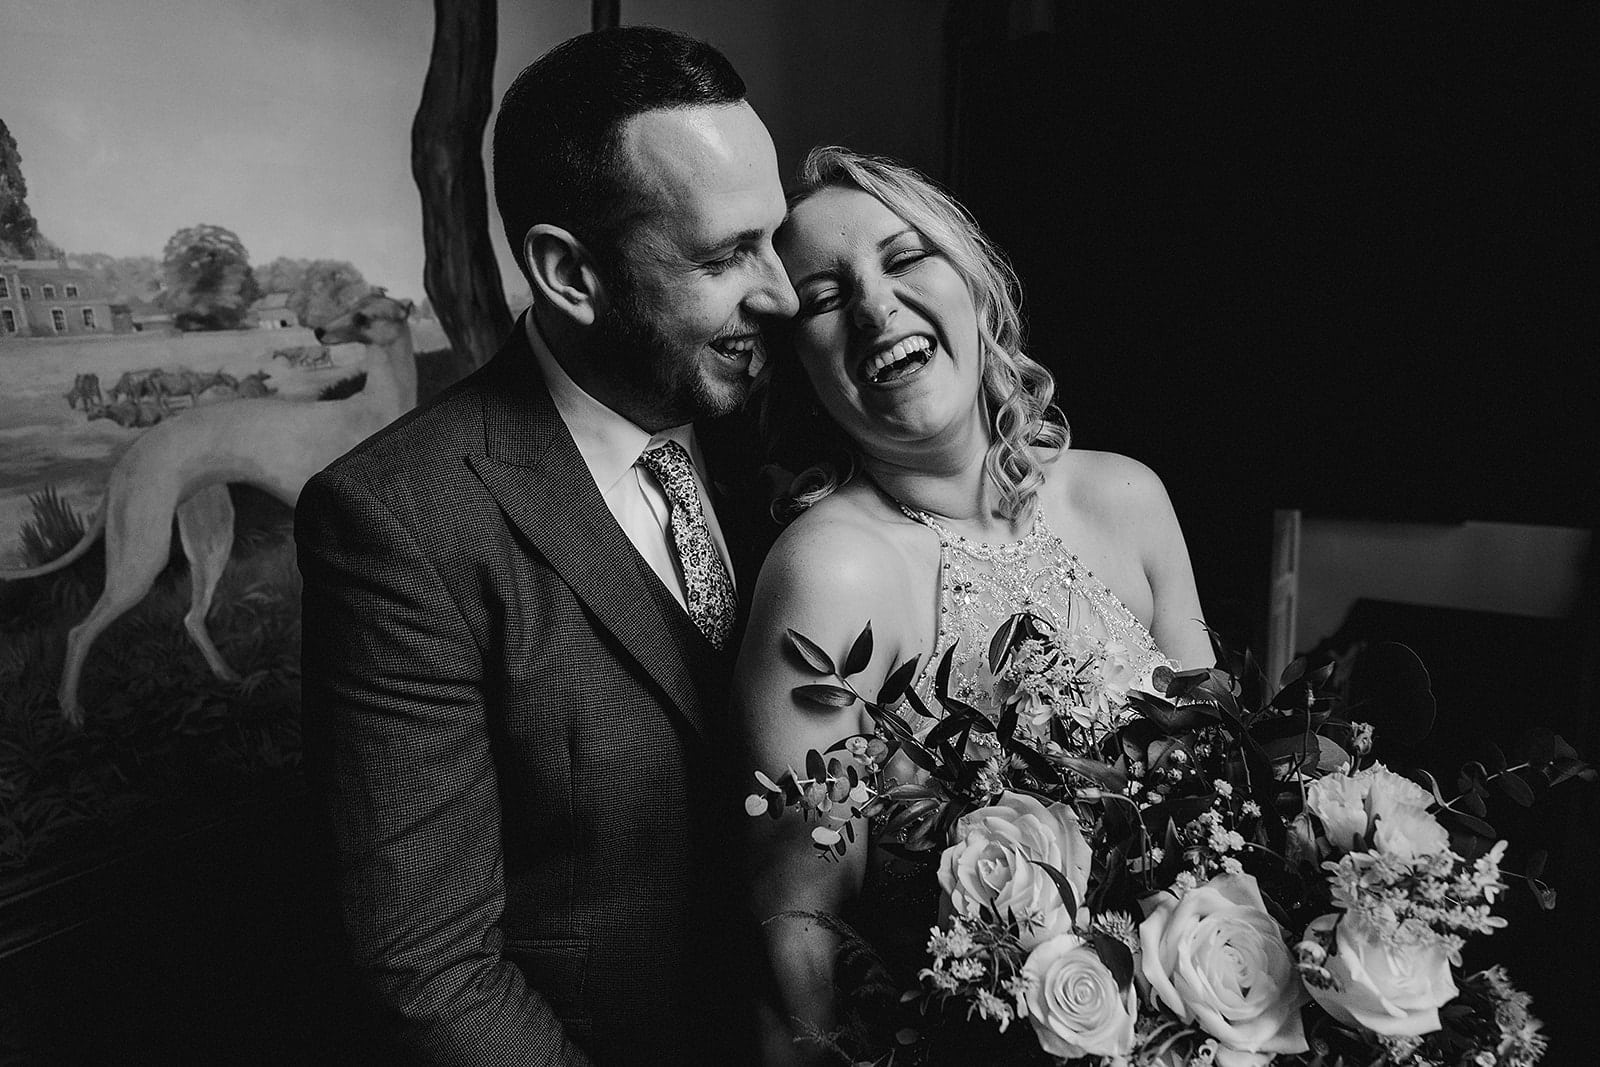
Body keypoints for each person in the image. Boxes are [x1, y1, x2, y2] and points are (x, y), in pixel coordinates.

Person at [296, 27, 796, 1066]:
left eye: (775, 239)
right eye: (722, 256)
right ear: (569, 273)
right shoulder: (397, 520)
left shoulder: (790, 425)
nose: (781, 293)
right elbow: (433, 971)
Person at [734, 147, 1215, 1064]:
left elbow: (1227, 794)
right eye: (826, 298)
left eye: (905, 257)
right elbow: (798, 931)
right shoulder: (830, 574)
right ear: (799, 367)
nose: (876, 307)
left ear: (975, 284)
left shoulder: (1129, 499)